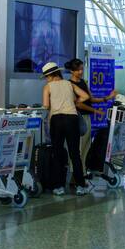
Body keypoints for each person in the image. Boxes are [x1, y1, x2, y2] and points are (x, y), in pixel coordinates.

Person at [41, 62, 93, 196]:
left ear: (51, 75)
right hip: (72, 119)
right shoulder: (70, 84)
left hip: (57, 120)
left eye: (46, 76)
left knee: (58, 153)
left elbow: (46, 106)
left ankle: (59, 187)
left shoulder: (48, 87)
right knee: (75, 154)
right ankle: (80, 186)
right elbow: (85, 96)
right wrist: (74, 102)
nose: (46, 79)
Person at [65, 58, 116, 172]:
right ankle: (75, 173)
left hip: (86, 117)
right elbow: (78, 105)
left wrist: (107, 98)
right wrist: (95, 111)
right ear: (72, 71)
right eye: (78, 70)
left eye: (82, 69)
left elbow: (91, 99)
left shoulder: (83, 82)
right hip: (78, 118)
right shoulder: (69, 85)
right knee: (78, 147)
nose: (81, 72)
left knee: (86, 147)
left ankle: (81, 171)